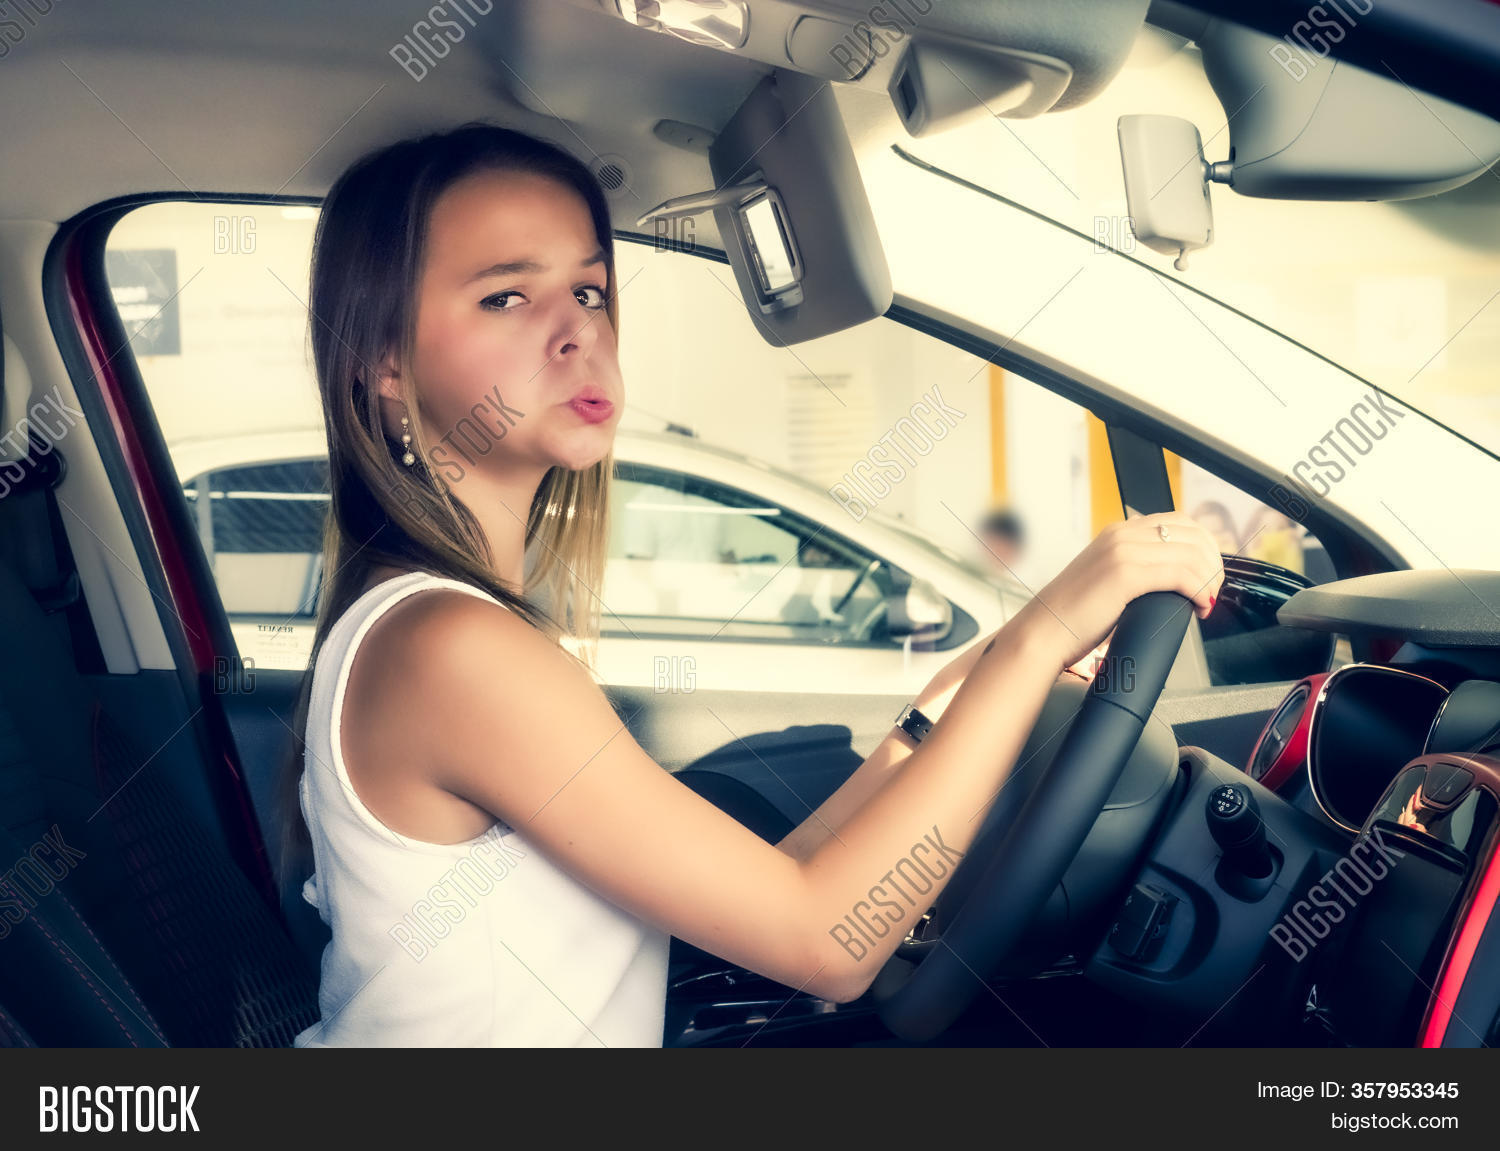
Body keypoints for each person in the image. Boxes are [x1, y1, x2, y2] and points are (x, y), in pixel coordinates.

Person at [278, 122, 1224, 1047]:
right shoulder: (452, 648)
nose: (578, 333)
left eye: (592, 289)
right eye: (505, 299)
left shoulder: (447, 627)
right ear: (384, 365)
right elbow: (830, 940)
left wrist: (940, 713)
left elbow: (782, 886)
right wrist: (1040, 638)